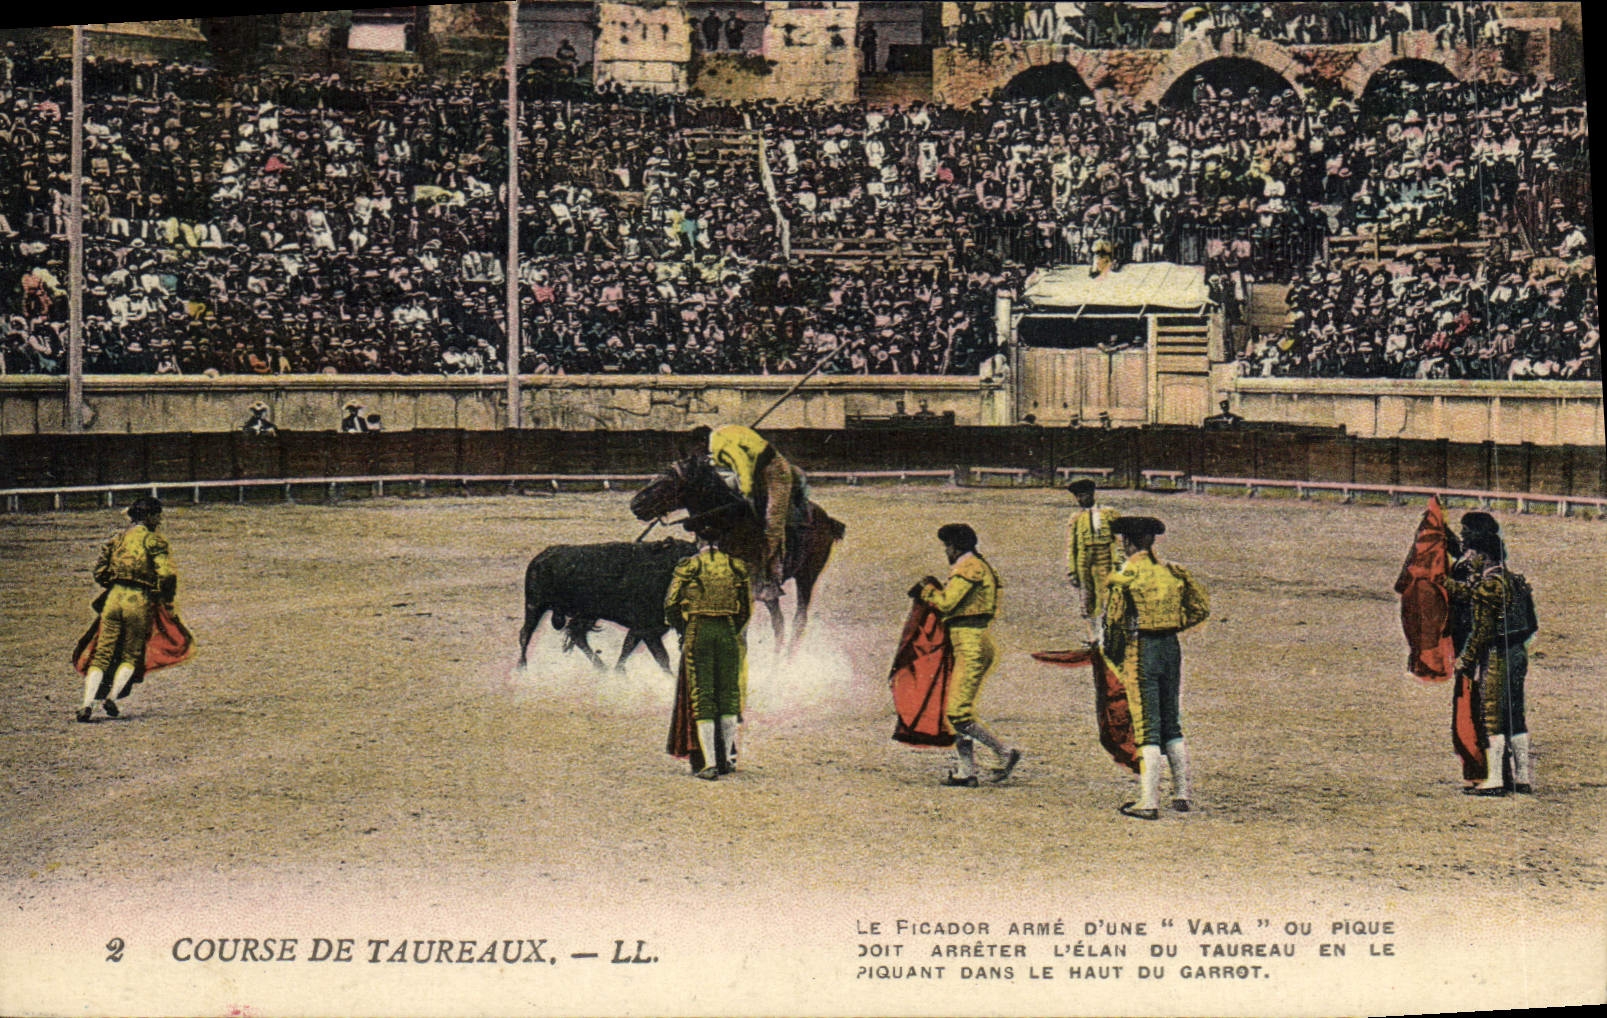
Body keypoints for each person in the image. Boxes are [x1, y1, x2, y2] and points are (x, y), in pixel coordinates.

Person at [1101, 516, 1209, 819]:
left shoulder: (1125, 574)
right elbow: (1201, 608)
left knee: (1147, 724)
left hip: (1143, 648)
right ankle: (1182, 792)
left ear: (1127, 542)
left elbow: (1115, 622)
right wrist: (1171, 624)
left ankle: (1148, 802)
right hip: (1170, 647)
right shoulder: (1171, 572)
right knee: (1170, 720)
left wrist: (1115, 655)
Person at [914, 523, 1022, 787]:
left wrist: (927, 592)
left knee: (957, 711)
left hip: (970, 643)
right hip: (969, 641)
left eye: (947, 546)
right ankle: (966, 772)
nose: (946, 552)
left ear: (956, 546)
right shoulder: (975, 565)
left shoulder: (968, 567)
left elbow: (948, 603)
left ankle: (1003, 752)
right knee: (954, 709)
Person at [1445, 514, 1538, 795]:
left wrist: (1467, 660)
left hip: (1498, 655)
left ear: (1483, 555)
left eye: (1472, 554)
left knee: (1493, 716)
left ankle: (1495, 780)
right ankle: (1522, 778)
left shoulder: (1488, 587)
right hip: (1519, 653)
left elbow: (1482, 631)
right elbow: (1532, 623)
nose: (1468, 558)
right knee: (1516, 715)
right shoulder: (1514, 580)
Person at [77, 497, 177, 722]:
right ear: (149, 517)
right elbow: (167, 574)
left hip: (113, 598)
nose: (159, 520)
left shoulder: (117, 539)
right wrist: (165, 599)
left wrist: (114, 583)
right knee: (131, 653)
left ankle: (86, 704)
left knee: (102, 654)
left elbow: (100, 572)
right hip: (138, 599)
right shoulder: (154, 541)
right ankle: (111, 697)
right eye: (157, 515)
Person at [665, 525, 751, 780]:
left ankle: (709, 763)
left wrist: (684, 628)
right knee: (728, 695)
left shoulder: (689, 566)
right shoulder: (736, 566)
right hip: (727, 631)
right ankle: (727, 761)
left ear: (698, 539)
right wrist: (732, 628)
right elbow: (745, 609)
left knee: (703, 695)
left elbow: (670, 604)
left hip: (699, 629)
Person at [690, 423, 805, 597]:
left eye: (698, 447)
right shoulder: (720, 435)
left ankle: (769, 576)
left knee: (773, 521)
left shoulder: (718, 442)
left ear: (701, 441)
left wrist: (746, 494)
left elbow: (741, 464)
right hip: (755, 470)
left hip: (776, 471)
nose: (699, 451)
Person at [1065, 478, 1120, 644]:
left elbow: (1117, 540)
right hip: (1084, 559)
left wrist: (1119, 562)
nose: (1081, 500)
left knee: (1107, 595)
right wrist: (1071, 570)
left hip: (1105, 557)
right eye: (1078, 497)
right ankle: (1093, 635)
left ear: (1092, 494)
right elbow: (1071, 545)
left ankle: (1106, 635)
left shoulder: (1109, 513)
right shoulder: (1075, 518)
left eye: (1084, 495)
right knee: (1087, 597)